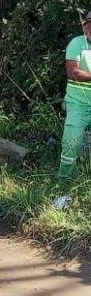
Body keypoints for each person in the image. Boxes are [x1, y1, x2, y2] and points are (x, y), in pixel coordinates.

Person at [58, 10, 91, 178]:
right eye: (90, 24)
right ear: (85, 27)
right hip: (77, 103)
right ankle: (63, 179)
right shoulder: (77, 44)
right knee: (71, 142)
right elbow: (72, 72)